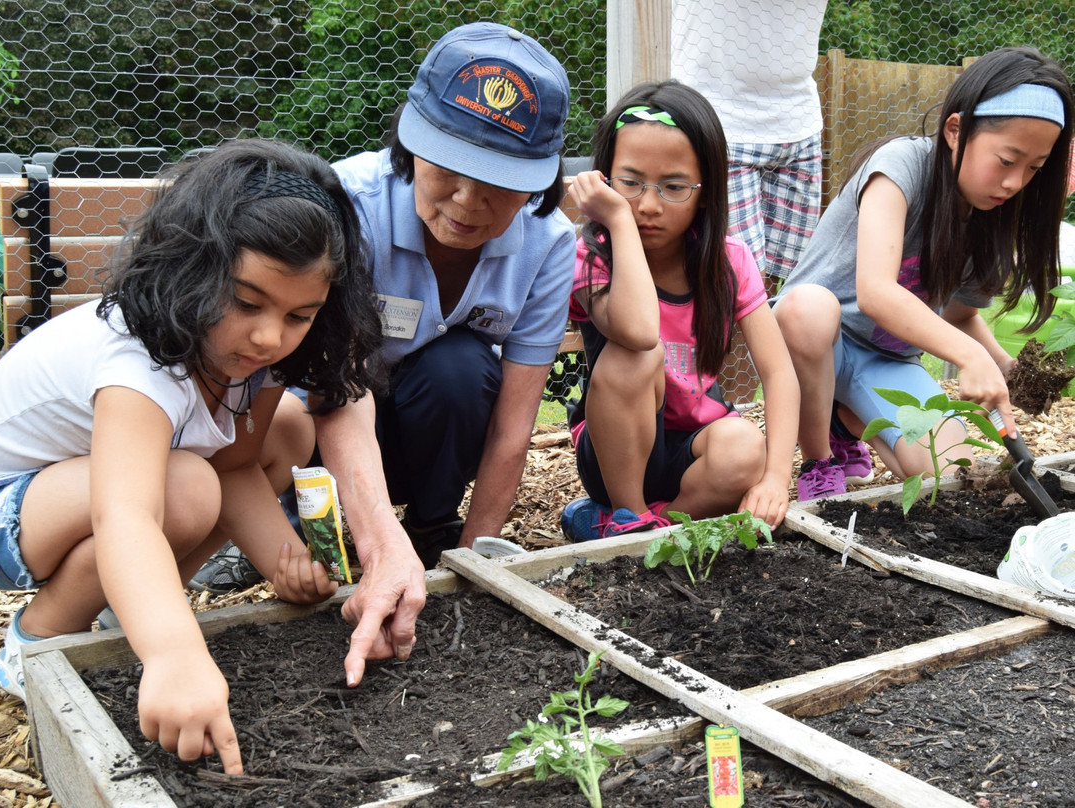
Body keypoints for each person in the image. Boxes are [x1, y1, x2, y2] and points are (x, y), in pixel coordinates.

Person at [0, 139, 384, 773]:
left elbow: (236, 467)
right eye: (248, 302)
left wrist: (284, 564)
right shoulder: (136, 361)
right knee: (184, 487)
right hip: (8, 507)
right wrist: (177, 657)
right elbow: (129, 517)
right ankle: (38, 638)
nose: (269, 336)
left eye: (300, 315)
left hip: (72, 496)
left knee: (286, 429)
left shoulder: (251, 358)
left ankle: (144, 600)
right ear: (193, 271)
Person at [309, 21, 575, 575]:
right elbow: (332, 393)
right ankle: (308, 524)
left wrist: (474, 562)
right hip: (323, 431)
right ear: (411, 143)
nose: (467, 201)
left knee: (461, 366)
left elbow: (513, 424)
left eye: (499, 181)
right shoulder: (349, 207)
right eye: (449, 169)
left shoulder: (548, 245)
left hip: (428, 438)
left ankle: (434, 526)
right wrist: (377, 547)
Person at [773, 46, 1073, 501]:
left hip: (888, 359)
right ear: (957, 130)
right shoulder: (901, 166)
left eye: (1034, 168)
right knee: (809, 309)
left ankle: (845, 418)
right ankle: (819, 458)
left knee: (949, 471)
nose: (1015, 182)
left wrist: (1002, 366)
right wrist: (969, 359)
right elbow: (874, 292)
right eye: (1007, 160)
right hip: (816, 341)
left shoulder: (991, 221)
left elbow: (960, 316)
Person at [559, 80, 800, 542]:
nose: (648, 206)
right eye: (630, 183)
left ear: (705, 193)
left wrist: (774, 478)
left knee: (747, 448)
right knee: (638, 351)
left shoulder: (729, 263)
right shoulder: (593, 257)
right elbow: (637, 329)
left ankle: (654, 526)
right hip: (614, 455)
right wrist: (616, 221)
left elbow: (779, 373)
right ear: (605, 179)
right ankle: (625, 513)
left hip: (691, 451)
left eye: (673, 187)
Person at [671, 0, 828, 403]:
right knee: (729, 284)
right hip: (719, 119)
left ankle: (741, 414)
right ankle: (708, 417)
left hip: (798, 123)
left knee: (778, 291)